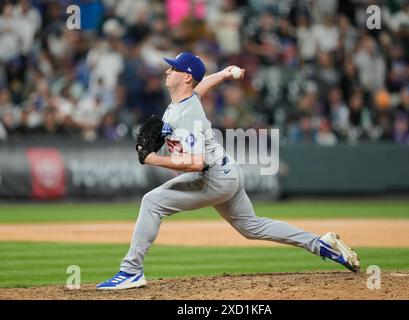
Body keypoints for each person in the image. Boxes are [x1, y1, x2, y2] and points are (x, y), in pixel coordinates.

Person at [96, 52, 360, 290]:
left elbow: (196, 162)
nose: (167, 71)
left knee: (152, 202)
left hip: (211, 177)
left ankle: (131, 271)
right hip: (227, 172)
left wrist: (153, 159)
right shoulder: (185, 100)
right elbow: (203, 86)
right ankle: (321, 244)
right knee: (252, 227)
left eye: (173, 68)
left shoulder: (188, 113)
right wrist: (224, 74)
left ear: (186, 77)